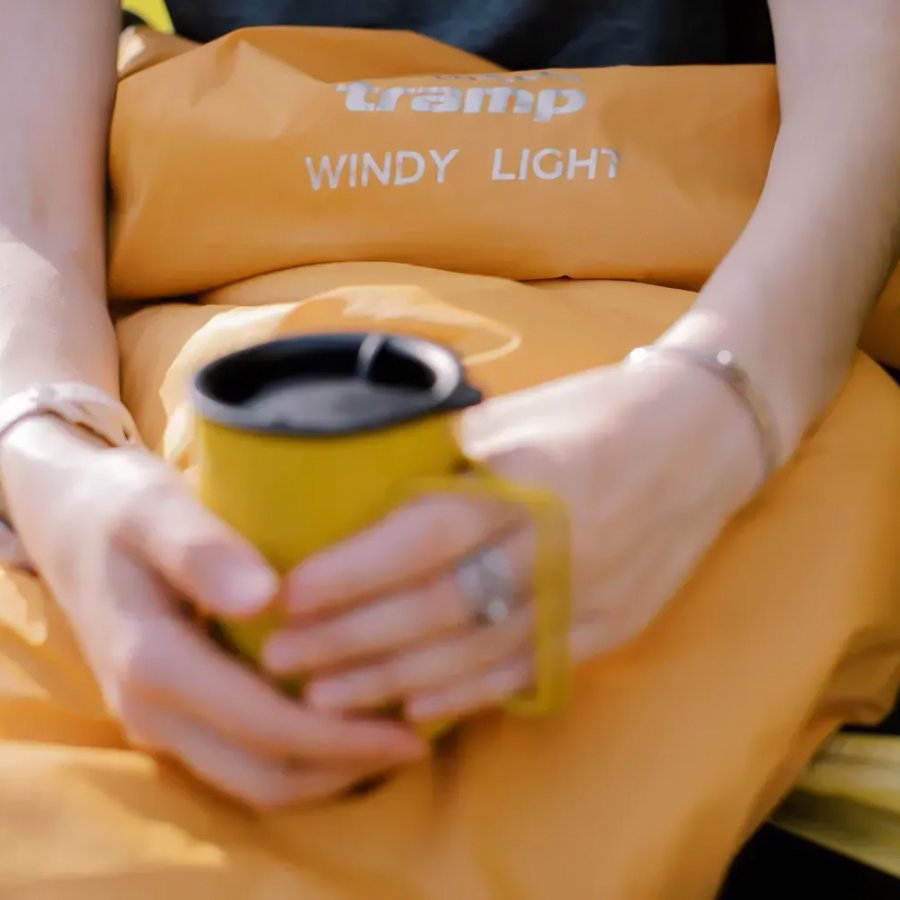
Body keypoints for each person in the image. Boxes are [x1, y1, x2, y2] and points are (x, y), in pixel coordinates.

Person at [0, 1, 898, 897]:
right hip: (155, 341)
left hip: (742, 330)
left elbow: (866, 77)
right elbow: (28, 193)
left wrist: (713, 417)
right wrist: (48, 455)